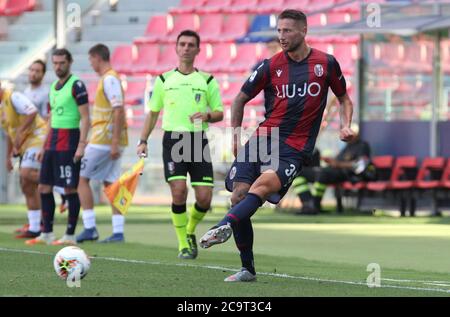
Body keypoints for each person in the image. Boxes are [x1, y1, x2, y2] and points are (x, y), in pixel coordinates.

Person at [198, 9, 355, 282]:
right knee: (238, 196)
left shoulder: (326, 64)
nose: (282, 36)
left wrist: (345, 124)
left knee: (260, 188)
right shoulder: (270, 65)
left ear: (304, 31)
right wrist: (235, 136)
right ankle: (247, 269)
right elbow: (238, 100)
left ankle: (222, 226)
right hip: (261, 140)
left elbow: (344, 99)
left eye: (288, 31)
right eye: (279, 31)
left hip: (294, 147)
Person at [137, 30, 224, 259]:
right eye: (182, 44)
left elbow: (220, 113)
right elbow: (153, 113)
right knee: (178, 191)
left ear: (198, 50)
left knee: (204, 197)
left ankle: (189, 230)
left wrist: (207, 116)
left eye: (190, 45)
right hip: (173, 140)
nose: (186, 48)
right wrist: (143, 140)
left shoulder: (207, 80)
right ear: (176, 48)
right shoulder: (164, 80)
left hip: (197, 140)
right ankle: (183, 244)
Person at [26, 48, 90, 246]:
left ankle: (70, 235)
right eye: (55, 63)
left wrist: (81, 145)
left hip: (70, 140)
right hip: (53, 141)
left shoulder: (77, 85)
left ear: (69, 62)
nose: (58, 66)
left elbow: (86, 117)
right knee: (44, 186)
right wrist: (43, 146)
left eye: (62, 63)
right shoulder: (53, 86)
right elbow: (51, 117)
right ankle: (47, 232)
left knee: (70, 188)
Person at [76, 44, 128, 243]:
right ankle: (118, 232)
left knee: (81, 179)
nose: (91, 64)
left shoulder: (109, 79)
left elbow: (118, 109)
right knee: (111, 183)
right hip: (107, 139)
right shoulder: (110, 79)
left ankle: (90, 227)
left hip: (105, 141)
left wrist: (113, 142)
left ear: (97, 57)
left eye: (91, 60)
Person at [0, 81, 47, 238]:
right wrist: (8, 157)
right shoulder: (1, 108)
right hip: (24, 144)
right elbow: (9, 134)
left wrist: (20, 131)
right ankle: (35, 227)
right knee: (26, 184)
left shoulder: (14, 96)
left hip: (37, 137)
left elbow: (32, 112)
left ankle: (56, 182)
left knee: (26, 173)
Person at [309, 129, 373, 214]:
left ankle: (314, 205)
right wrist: (331, 161)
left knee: (322, 174)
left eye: (350, 133)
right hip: (334, 171)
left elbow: (360, 165)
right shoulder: (348, 146)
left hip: (347, 174)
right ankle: (307, 203)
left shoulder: (362, 146)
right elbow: (337, 160)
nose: (347, 135)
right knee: (302, 173)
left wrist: (338, 164)